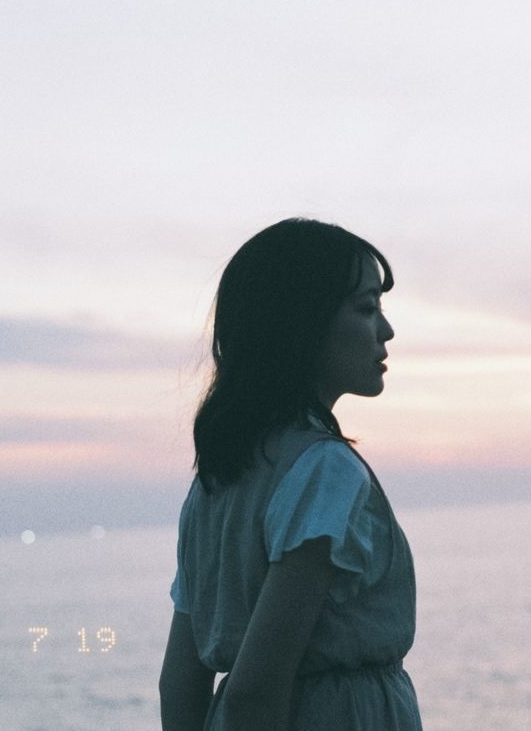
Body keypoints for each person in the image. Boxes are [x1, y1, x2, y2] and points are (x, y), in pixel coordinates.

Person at [159, 218, 422, 731]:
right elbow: (257, 688)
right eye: (367, 308)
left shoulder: (218, 479)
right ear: (304, 324)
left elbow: (180, 682)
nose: (386, 331)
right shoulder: (324, 472)